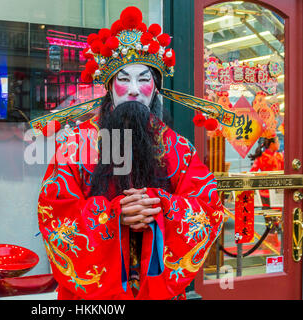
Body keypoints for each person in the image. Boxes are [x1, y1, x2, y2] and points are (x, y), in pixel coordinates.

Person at [34, 7, 224, 300]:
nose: (134, 90)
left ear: (156, 89)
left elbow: (208, 208)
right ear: (109, 87)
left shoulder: (179, 149)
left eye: (144, 79)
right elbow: (54, 213)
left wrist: (160, 206)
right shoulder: (76, 144)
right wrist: (111, 215)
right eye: (123, 79)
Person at [249, 136, 284, 207]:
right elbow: (252, 173)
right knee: (269, 215)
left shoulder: (280, 156)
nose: (279, 144)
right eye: (277, 142)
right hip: (265, 193)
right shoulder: (261, 157)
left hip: (278, 191)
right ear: (272, 144)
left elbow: (284, 172)